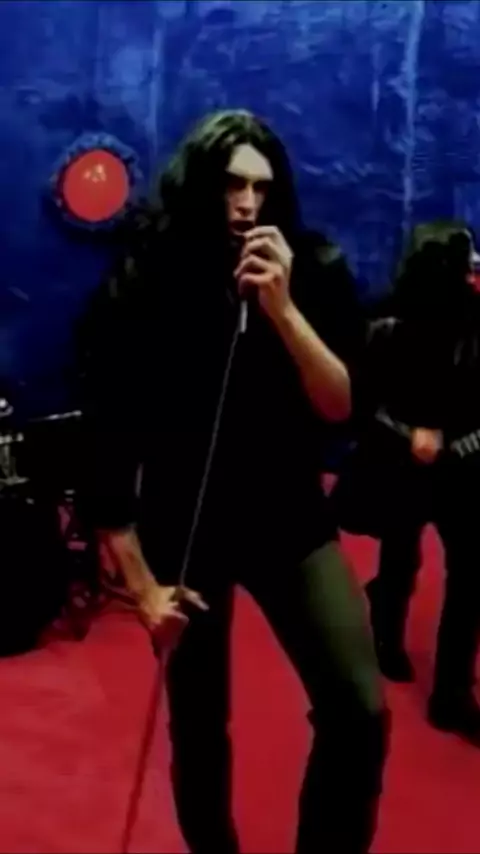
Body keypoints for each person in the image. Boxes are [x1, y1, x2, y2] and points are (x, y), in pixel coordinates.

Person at [80, 110, 389, 853]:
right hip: (185, 525)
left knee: (360, 709)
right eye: (231, 186)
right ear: (199, 186)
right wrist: (143, 588)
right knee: (199, 727)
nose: (247, 204)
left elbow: (342, 406)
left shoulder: (312, 265)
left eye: (261, 188)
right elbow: (107, 435)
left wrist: (283, 310)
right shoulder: (147, 275)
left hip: (288, 514)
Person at [334, 220, 480, 746]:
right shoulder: (383, 321)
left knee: (471, 575)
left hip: (465, 462)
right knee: (401, 554)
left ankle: (452, 694)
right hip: (400, 459)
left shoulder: (474, 319)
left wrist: (461, 440)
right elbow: (354, 401)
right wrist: (408, 433)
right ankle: (385, 632)